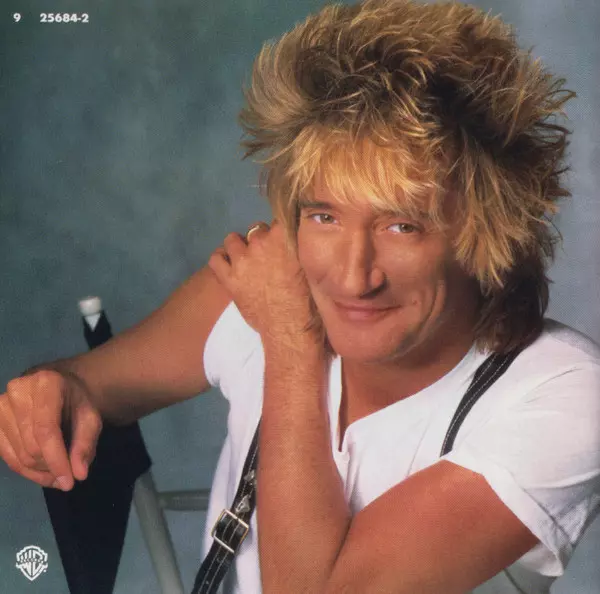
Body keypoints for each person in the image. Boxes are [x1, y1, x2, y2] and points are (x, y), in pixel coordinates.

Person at [1, 0, 599, 592]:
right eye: (324, 217)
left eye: (403, 226)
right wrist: (50, 395)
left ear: (487, 232)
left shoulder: (565, 397)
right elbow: (86, 386)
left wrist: (291, 343)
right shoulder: (263, 290)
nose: (354, 277)